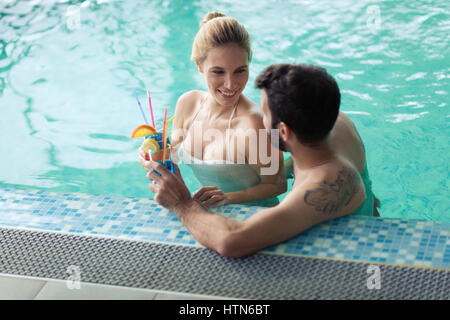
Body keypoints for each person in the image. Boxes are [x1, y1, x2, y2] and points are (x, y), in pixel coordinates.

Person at [139, 63, 380, 258]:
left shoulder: (321, 187)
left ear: (283, 132)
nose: (258, 120)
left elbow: (232, 241)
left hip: (349, 260)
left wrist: (182, 204)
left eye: (263, 114)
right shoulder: (331, 121)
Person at [139, 12, 286, 208]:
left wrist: (227, 198)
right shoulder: (187, 104)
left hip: (254, 217)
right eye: (218, 71)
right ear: (200, 65)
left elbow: (277, 185)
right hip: (206, 212)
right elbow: (172, 156)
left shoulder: (256, 123)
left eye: (240, 71)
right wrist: (153, 154)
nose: (230, 84)